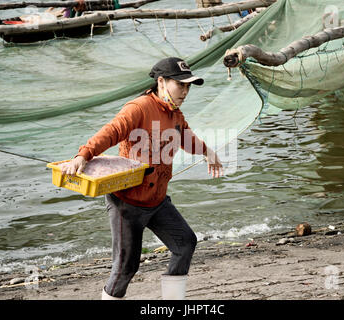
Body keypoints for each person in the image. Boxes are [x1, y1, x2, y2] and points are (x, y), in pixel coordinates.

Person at [61, 57, 223, 300]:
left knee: (185, 243)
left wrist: (207, 151)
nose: (185, 91)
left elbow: (186, 137)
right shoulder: (138, 108)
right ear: (161, 82)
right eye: (181, 85)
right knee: (126, 267)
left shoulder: (175, 114)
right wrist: (83, 155)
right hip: (126, 204)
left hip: (156, 202)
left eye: (188, 86)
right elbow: (111, 131)